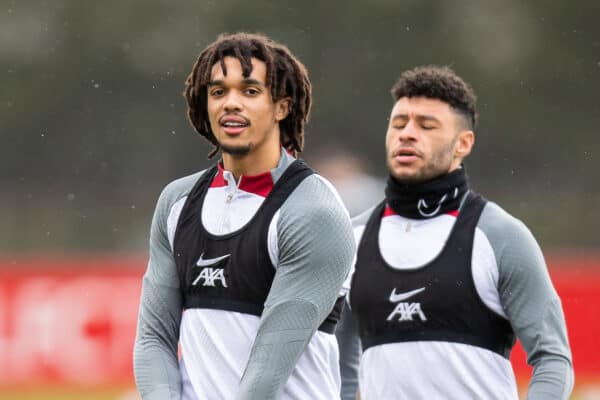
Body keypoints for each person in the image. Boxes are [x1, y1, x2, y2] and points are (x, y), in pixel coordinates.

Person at [133, 32, 355, 400]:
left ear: (282, 107)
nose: (230, 103)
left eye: (250, 91)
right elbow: (154, 336)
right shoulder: (177, 202)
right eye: (218, 92)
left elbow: (269, 366)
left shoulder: (312, 210)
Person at [339, 66, 574, 399]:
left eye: (426, 125)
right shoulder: (350, 239)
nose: (407, 133)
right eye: (399, 123)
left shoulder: (501, 236)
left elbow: (552, 359)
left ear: (463, 143)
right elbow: (335, 363)